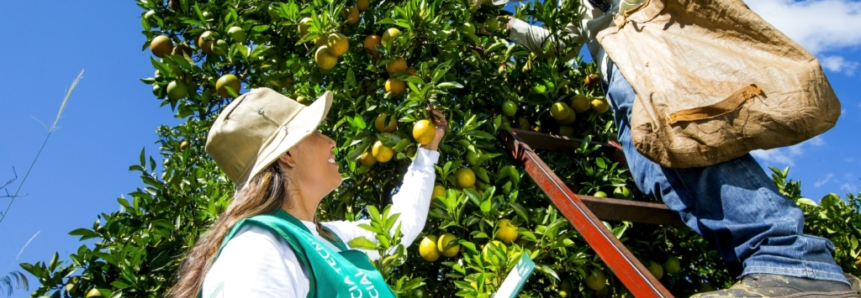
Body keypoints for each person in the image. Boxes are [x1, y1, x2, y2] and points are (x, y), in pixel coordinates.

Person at [477, 0, 861, 296]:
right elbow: (558, 42)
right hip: (621, 87)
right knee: (655, 174)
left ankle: (793, 259)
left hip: (650, 58)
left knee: (694, 146)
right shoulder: (575, 8)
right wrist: (505, 24)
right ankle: (762, 268)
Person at [165, 88, 447, 297]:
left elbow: (401, 225)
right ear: (287, 154)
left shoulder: (329, 239)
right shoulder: (258, 247)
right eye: (315, 131)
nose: (331, 140)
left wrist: (428, 150)